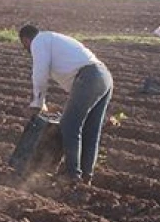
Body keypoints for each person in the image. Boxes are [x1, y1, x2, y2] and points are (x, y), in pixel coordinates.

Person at [19, 24, 114, 184]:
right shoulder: (52, 39)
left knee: (69, 126)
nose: (26, 49)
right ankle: (85, 178)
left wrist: (37, 103)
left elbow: (39, 73)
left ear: (26, 39)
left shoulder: (38, 41)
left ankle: (73, 175)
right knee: (90, 132)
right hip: (104, 77)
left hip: (89, 77)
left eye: (24, 46)